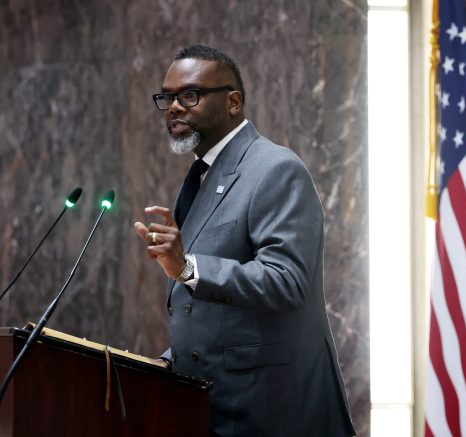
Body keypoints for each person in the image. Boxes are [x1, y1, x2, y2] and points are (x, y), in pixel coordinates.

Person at [134, 44, 356, 436]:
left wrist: (187, 267)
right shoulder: (203, 174)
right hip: (213, 404)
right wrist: (172, 360)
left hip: (270, 409)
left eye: (190, 95)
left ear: (233, 102)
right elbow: (211, 313)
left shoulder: (275, 170)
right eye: (166, 97)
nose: (173, 107)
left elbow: (286, 281)